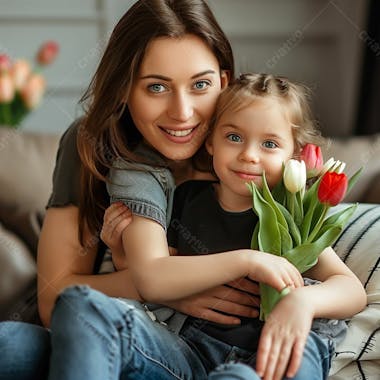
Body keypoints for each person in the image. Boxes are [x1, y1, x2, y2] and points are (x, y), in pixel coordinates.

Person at [47, 69, 366, 380]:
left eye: (269, 144)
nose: (249, 155)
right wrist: (120, 250)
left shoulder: (291, 215)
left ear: (294, 155)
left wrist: (302, 301)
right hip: (187, 354)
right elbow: (154, 277)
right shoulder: (185, 199)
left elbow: (351, 290)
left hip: (265, 359)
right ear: (210, 141)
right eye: (234, 137)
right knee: (79, 303)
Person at [0, 1, 260, 379]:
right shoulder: (91, 144)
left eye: (200, 85)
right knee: (9, 345)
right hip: (101, 327)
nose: (183, 112)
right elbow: (55, 299)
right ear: (124, 89)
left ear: (224, 81)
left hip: (194, 352)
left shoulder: (248, 151)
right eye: (157, 87)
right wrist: (165, 286)